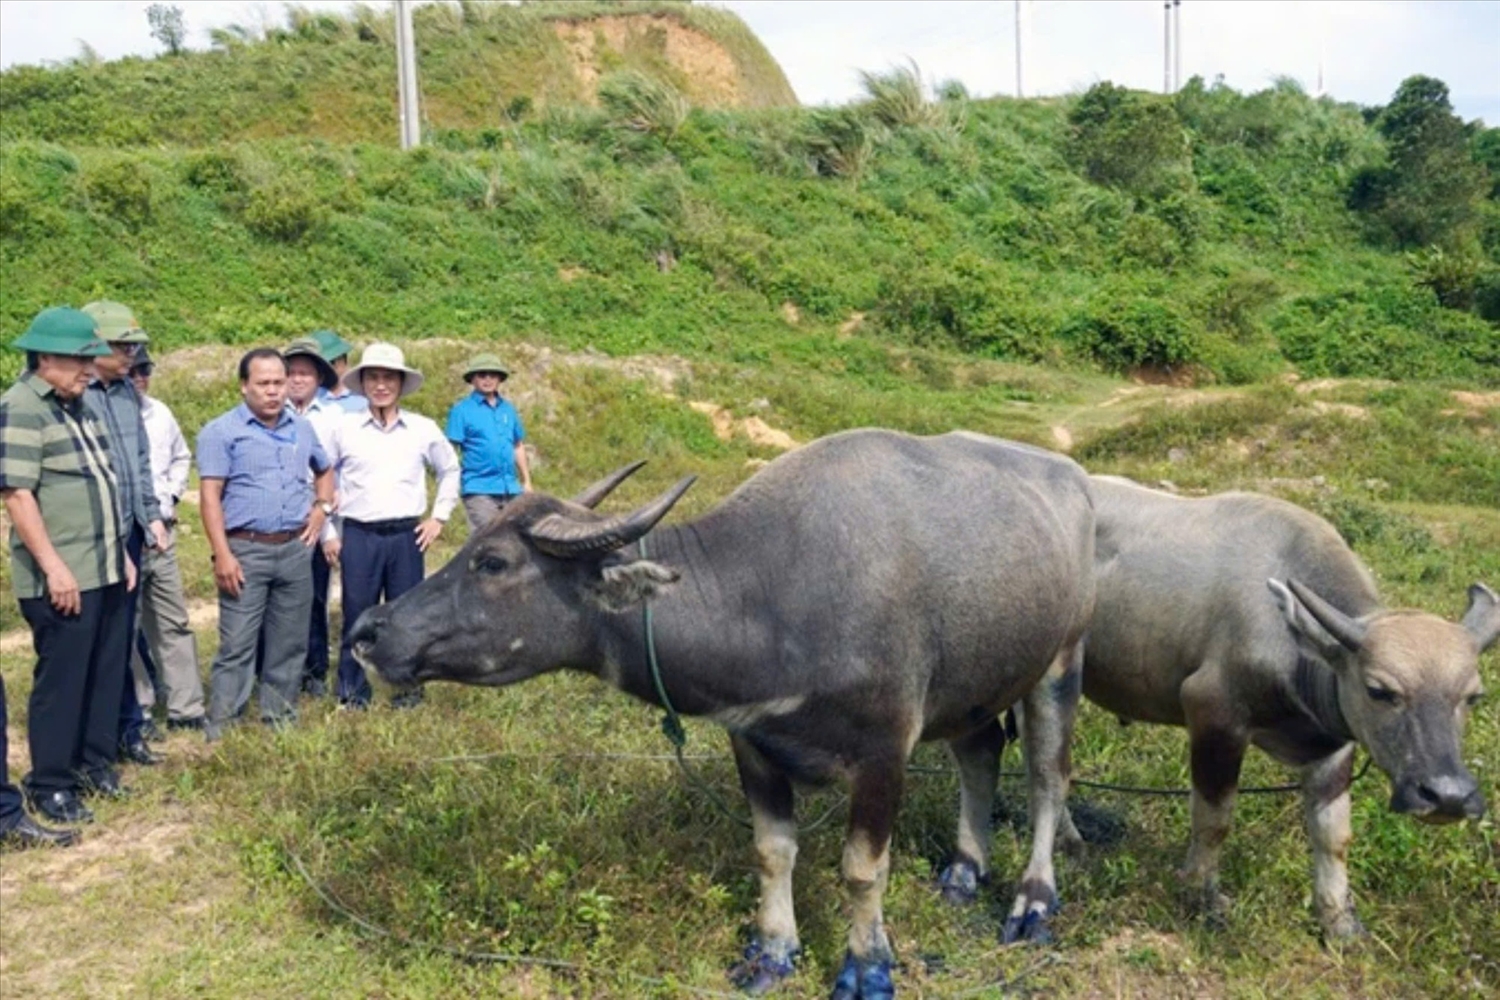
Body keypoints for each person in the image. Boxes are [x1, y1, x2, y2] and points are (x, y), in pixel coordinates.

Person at [0, 306, 132, 826]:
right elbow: (17, 494)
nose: (89, 369)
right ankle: (51, 782)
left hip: (103, 565)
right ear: (46, 357)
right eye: (80, 360)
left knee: (103, 671)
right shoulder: (21, 407)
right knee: (64, 680)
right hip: (62, 574)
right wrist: (54, 566)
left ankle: (92, 766)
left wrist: (119, 551)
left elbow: (100, 485)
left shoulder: (80, 405)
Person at [197, 349, 335, 740]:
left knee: (289, 643)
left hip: (294, 549)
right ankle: (223, 727)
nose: (274, 392)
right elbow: (210, 497)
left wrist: (321, 508)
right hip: (245, 550)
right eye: (264, 384)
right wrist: (222, 554)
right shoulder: (221, 432)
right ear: (244, 387)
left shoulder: (302, 428)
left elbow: (325, 470)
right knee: (238, 643)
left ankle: (280, 720)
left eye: (280, 382)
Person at [323, 343, 459, 708]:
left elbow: (450, 469)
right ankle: (352, 695)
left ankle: (407, 693)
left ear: (400, 384)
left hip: (406, 536)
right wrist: (329, 531)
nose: (380, 385)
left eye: (388, 378)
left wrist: (439, 517)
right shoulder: (344, 428)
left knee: (406, 619)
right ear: (363, 383)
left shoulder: (422, 429)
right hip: (360, 535)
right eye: (373, 378)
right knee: (358, 616)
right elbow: (320, 476)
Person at [80, 300, 167, 768]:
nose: (132, 353)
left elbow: (139, 464)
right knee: (91, 640)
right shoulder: (76, 396)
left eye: (134, 344)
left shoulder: (125, 394)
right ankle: (91, 739)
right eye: (122, 344)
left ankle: (127, 730)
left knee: (122, 636)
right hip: (92, 536)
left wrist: (151, 515)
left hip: (130, 531)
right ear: (94, 346)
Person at [128, 348, 208, 730]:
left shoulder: (159, 413)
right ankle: (139, 705)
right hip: (126, 536)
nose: (140, 377)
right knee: (126, 628)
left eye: (145, 369)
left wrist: (174, 495)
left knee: (173, 622)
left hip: (163, 535)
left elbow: (181, 457)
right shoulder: (100, 415)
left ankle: (186, 708)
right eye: (132, 370)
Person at [283, 336, 342, 698]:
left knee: (316, 596)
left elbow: (340, 473)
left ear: (319, 378)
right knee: (278, 600)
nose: (298, 380)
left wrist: (329, 526)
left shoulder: (336, 418)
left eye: (306, 373)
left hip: (321, 520)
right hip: (279, 521)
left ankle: (314, 670)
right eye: (291, 372)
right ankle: (278, 669)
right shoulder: (270, 412)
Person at [445, 352, 532, 532]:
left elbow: (517, 445)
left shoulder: (508, 409)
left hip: (510, 488)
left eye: (492, 375)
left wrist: (527, 481)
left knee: (516, 540)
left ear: (500, 378)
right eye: (482, 375)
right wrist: (450, 485)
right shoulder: (461, 410)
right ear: (472, 379)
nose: (487, 379)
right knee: (487, 539)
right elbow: (450, 451)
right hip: (479, 488)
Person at [310, 328, 365, 412]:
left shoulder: (364, 396)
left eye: (329, 363)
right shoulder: (307, 397)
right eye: (317, 365)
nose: (324, 369)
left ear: (342, 360)